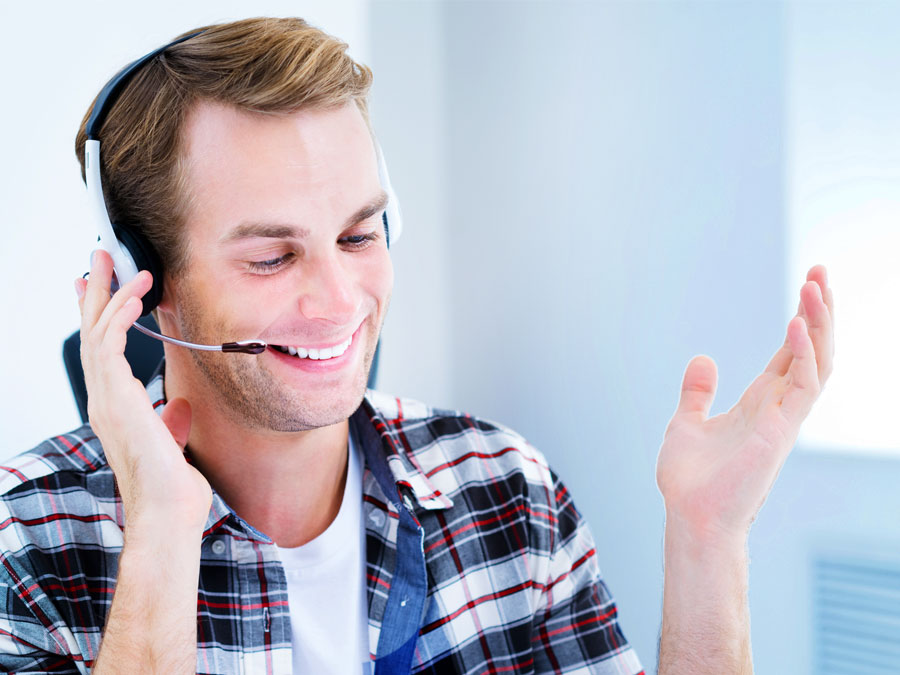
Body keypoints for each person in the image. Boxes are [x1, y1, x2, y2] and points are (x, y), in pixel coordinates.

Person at [0, 17, 833, 675]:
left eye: (360, 236)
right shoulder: (27, 545)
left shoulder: (507, 492)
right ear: (144, 281)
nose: (338, 301)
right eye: (271, 256)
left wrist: (707, 541)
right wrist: (160, 533)